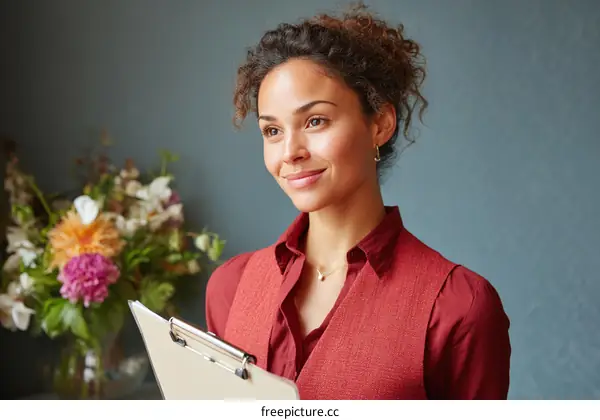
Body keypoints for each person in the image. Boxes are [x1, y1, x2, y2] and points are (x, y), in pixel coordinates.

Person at [205, 4, 511, 400]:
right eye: (273, 130)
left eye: (315, 121)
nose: (290, 151)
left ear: (380, 124)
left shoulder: (458, 307)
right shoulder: (230, 287)